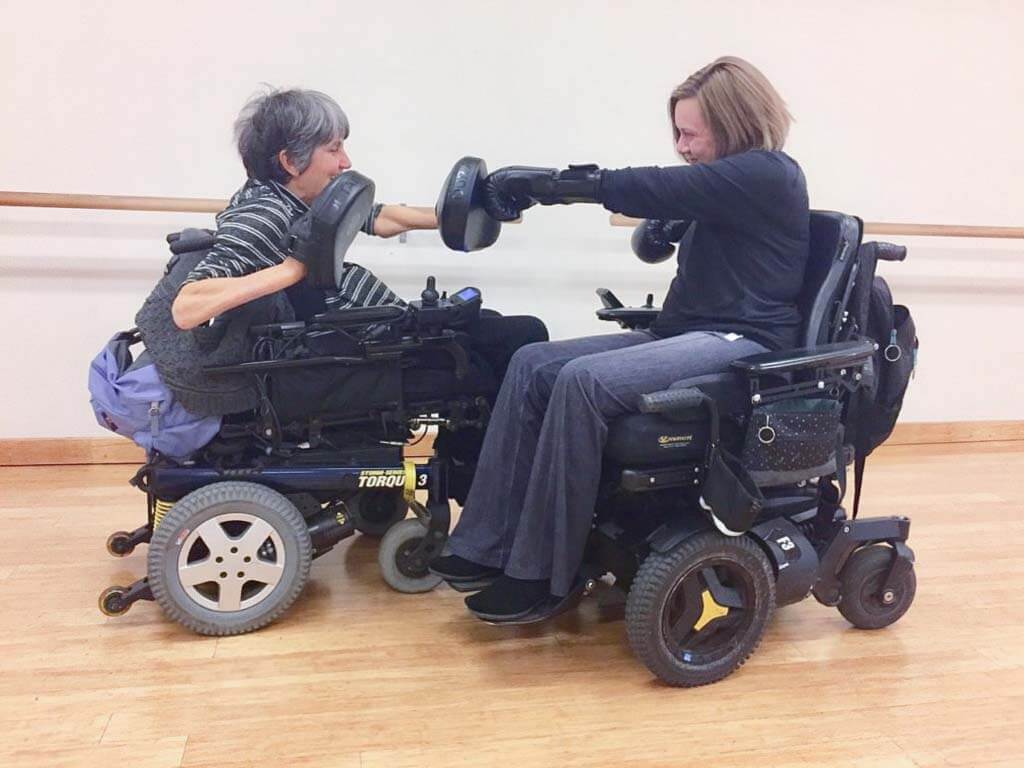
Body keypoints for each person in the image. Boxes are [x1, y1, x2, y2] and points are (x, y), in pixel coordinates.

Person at [430, 56, 809, 621]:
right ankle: (486, 546)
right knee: (532, 361)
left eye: (690, 134)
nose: (681, 145)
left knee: (584, 382)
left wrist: (544, 185)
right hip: (688, 332)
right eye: (676, 132)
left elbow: (651, 185)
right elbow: (668, 206)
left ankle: (544, 576)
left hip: (746, 343)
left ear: (733, 123)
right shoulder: (724, 189)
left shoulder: (768, 173)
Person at [169, 86, 546, 383]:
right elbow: (187, 307)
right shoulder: (262, 213)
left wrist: (465, 211)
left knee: (492, 323)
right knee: (522, 335)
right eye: (333, 149)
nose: (345, 161)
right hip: (364, 351)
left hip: (379, 334)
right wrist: (294, 268)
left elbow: (384, 219)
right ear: (290, 161)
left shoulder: (304, 200)